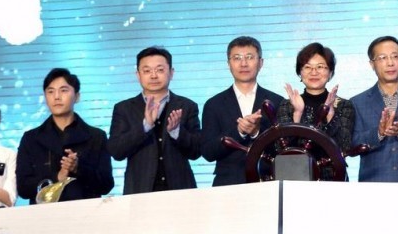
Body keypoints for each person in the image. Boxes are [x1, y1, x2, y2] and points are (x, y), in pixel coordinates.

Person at [108, 47, 201, 193]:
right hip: (140, 190)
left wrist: (177, 132)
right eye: (147, 71)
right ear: (138, 75)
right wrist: (145, 126)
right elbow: (116, 151)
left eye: (160, 70)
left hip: (180, 190)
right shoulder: (124, 109)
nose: (153, 76)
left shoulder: (187, 106)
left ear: (171, 73)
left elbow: (196, 151)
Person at [17, 68, 114, 203]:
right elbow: (23, 188)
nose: (56, 97)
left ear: (77, 96)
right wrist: (56, 178)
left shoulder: (96, 137)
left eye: (63, 90)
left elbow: (106, 185)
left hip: (85, 211)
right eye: (51, 91)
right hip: (44, 213)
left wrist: (78, 168)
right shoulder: (31, 139)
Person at [201, 36, 284, 186]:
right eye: (237, 58)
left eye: (249, 57)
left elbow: (283, 149)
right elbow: (208, 152)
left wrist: (256, 132)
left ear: (261, 63)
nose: (243, 63)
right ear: (229, 64)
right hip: (228, 184)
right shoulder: (214, 104)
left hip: (267, 182)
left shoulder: (277, 102)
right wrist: (239, 131)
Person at [350, 35, 398, 182]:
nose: (390, 63)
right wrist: (378, 133)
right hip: (373, 184)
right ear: (372, 64)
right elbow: (352, 144)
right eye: (382, 58)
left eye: (395, 56)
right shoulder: (357, 102)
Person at [277, 42, 355, 153]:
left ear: (330, 72)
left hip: (332, 165)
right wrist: (297, 114)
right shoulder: (287, 105)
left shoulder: (343, 105)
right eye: (307, 67)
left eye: (320, 67)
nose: (314, 72)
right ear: (300, 72)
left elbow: (344, 147)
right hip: (296, 164)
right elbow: (281, 148)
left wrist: (330, 114)